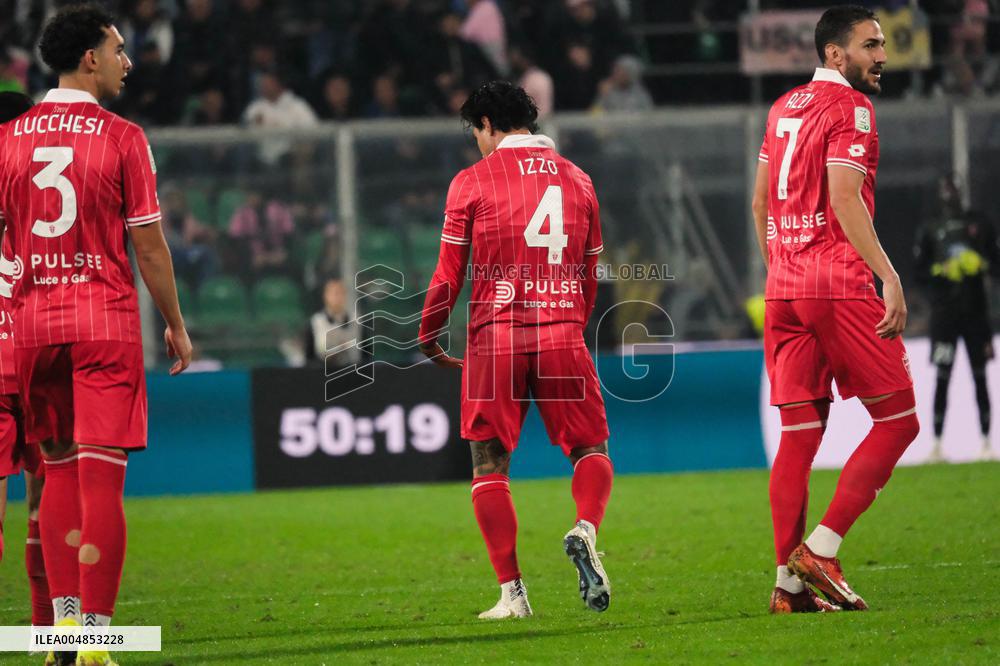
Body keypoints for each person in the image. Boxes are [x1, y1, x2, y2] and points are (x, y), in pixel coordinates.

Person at [0, 6, 192, 666]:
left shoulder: (10, 138)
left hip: (32, 328)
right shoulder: (122, 137)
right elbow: (150, 246)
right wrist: (174, 323)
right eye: (116, 50)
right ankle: (93, 643)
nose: (126, 62)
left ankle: (63, 628)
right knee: (101, 482)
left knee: (55, 475)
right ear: (89, 59)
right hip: (102, 323)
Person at [418, 81, 612, 619]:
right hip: (562, 333)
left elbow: (448, 275)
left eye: (474, 131)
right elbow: (589, 270)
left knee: (489, 466)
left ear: (485, 124)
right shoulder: (580, 180)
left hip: (495, 340)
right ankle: (584, 528)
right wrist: (572, 320)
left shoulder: (471, 182)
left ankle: (513, 594)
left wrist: (427, 333)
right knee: (590, 450)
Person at [751, 5, 919, 615]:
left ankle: (787, 587)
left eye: (882, 45)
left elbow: (759, 203)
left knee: (798, 437)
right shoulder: (852, 109)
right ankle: (820, 549)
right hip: (835, 280)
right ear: (834, 55)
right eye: (870, 45)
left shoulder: (782, 108)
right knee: (899, 420)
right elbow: (846, 199)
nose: (882, 56)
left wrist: (783, 267)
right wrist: (889, 277)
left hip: (785, 284)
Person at [0, 90, 52, 635]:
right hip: (39, 362)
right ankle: (56, 637)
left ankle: (54, 637)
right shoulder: (48, 206)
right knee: (47, 509)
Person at [914, 174, 998, 462]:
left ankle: (986, 442)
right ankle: (936, 445)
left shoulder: (981, 224)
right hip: (944, 317)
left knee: (979, 376)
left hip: (976, 315)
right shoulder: (930, 228)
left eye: (954, 189)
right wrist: (941, 270)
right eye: (946, 189)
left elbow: (996, 266)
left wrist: (982, 265)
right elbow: (918, 273)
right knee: (942, 377)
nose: (950, 195)